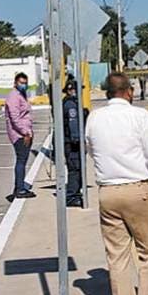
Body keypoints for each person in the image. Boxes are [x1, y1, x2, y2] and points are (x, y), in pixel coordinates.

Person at [85, 72, 148, 295]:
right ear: (130, 91)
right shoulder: (139, 116)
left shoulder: (95, 118)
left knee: (117, 255)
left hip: (108, 192)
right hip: (138, 190)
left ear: (106, 92)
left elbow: (91, 149)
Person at [5, 72, 35, 200]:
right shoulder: (13, 97)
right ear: (15, 83)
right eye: (21, 83)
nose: (24, 85)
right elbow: (14, 118)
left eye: (25, 83)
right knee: (21, 161)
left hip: (25, 132)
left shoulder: (21, 95)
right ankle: (20, 189)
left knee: (22, 160)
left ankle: (19, 186)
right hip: (19, 134)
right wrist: (25, 132)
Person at [62, 79, 87, 207]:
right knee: (75, 170)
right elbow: (73, 125)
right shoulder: (70, 105)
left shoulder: (73, 103)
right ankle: (72, 196)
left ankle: (76, 193)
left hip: (72, 143)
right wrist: (78, 141)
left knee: (78, 169)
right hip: (72, 144)